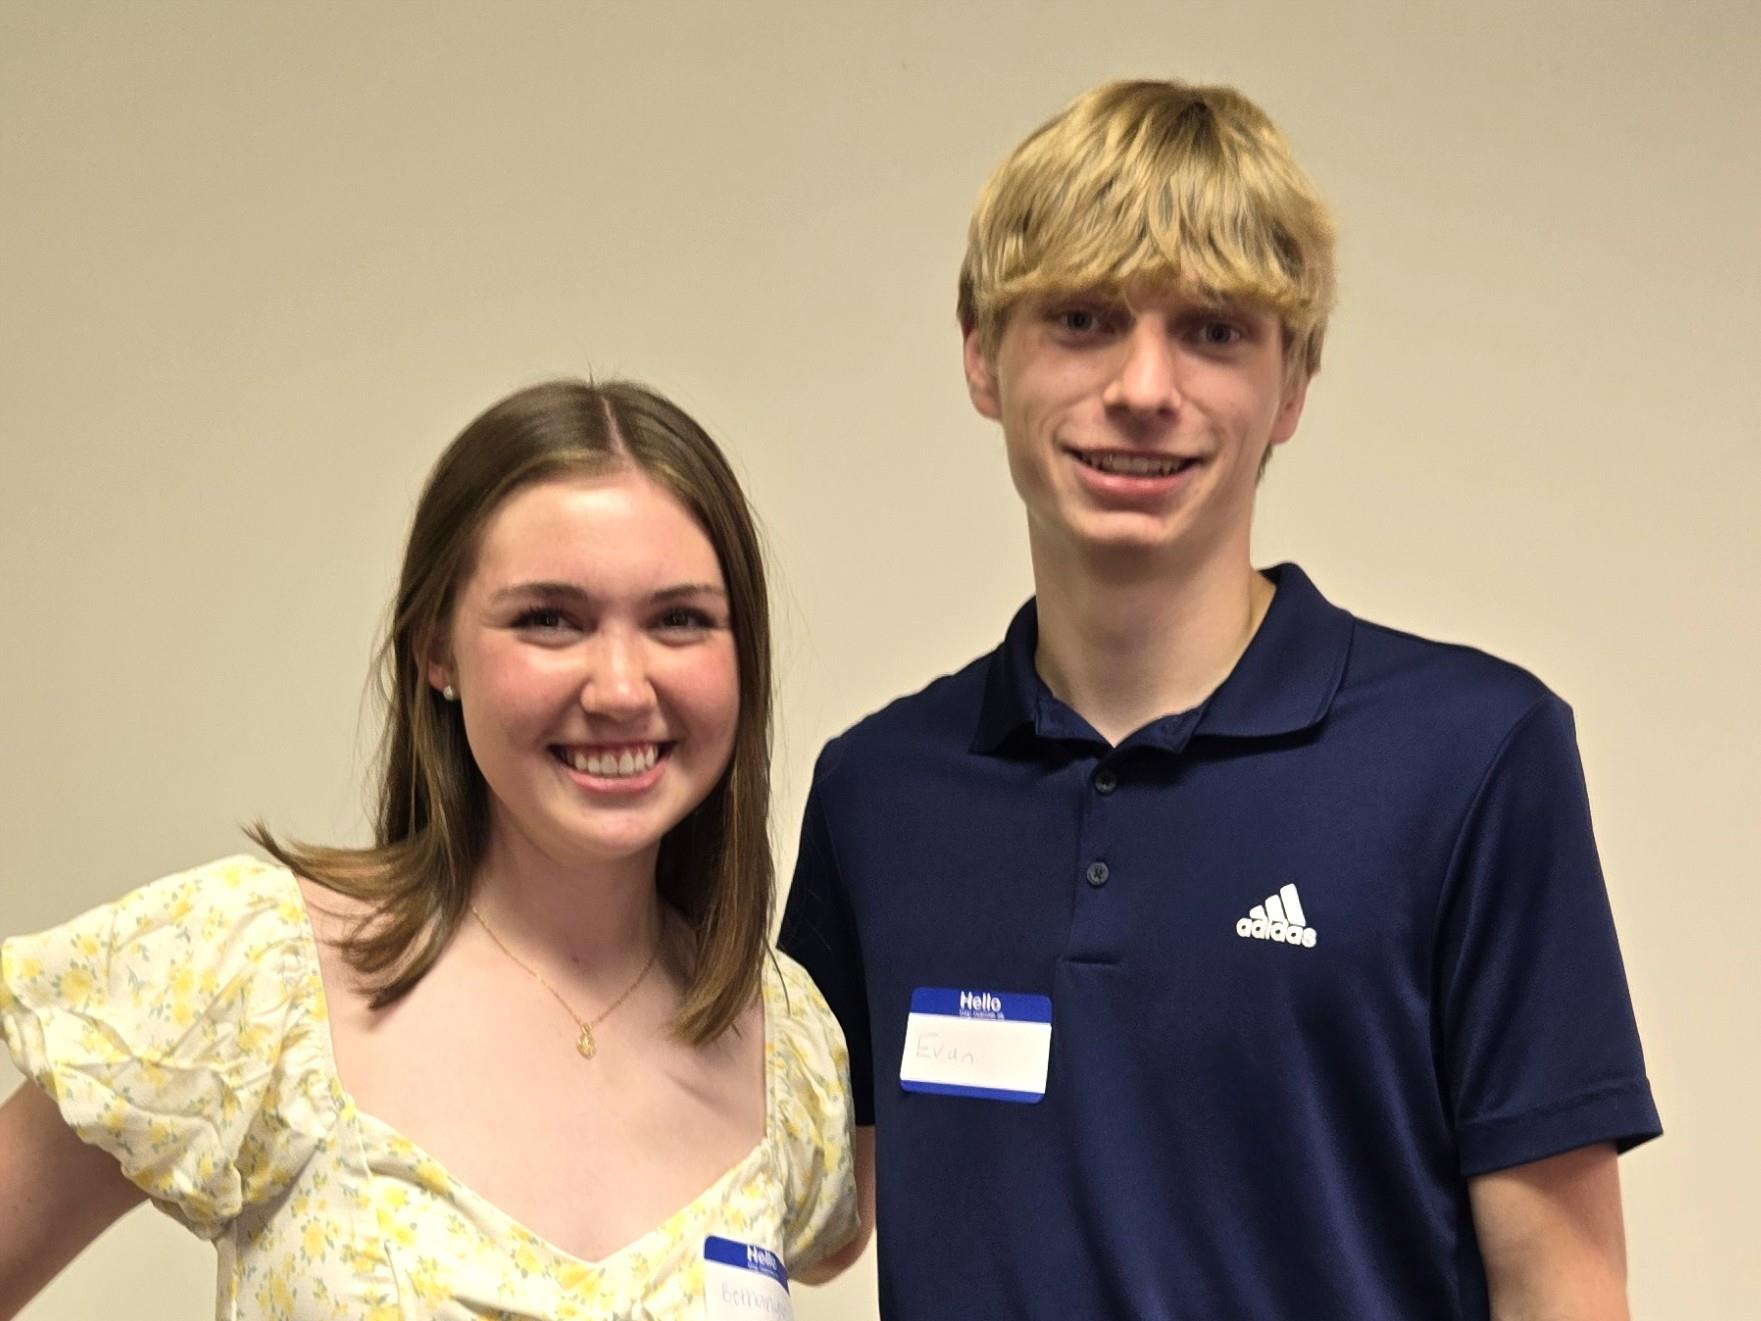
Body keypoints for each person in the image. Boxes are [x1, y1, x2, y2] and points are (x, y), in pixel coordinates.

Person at [781, 79, 1660, 1319]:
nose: (1146, 387)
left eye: (1213, 330)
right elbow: (804, 1222)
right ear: (981, 354)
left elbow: (1561, 1287)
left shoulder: (1473, 756)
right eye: (1082, 320)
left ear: (1292, 385)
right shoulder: (879, 790)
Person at [0, 379, 856, 1320]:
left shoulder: (788, 1049)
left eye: (679, 619)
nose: (619, 686)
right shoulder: (253, 976)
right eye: (549, 618)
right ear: (436, 651)